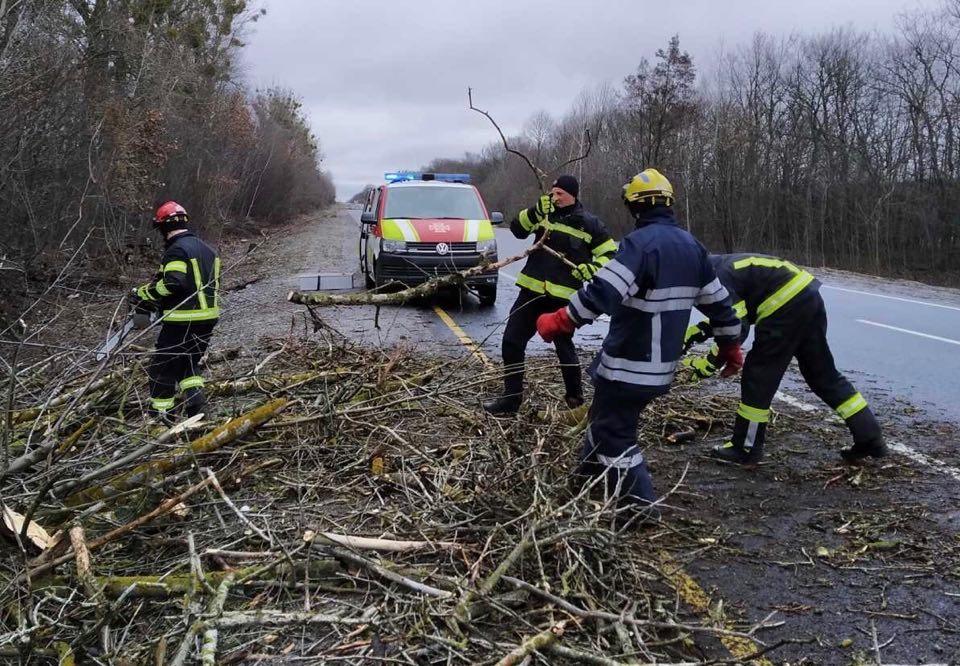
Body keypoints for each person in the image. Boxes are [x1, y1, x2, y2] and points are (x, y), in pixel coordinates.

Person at [535, 169, 743, 520]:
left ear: (633, 206)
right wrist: (730, 347)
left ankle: (640, 508)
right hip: (659, 368)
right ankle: (584, 481)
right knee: (602, 419)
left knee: (615, 434)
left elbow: (603, 291)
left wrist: (560, 320)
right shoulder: (693, 247)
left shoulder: (639, 245)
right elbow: (721, 307)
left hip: (628, 364)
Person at [682, 253, 886, 464]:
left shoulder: (717, 279)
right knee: (822, 374)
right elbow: (732, 314)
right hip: (806, 296)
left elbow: (734, 327)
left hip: (783, 303)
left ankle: (746, 447)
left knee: (759, 376)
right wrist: (698, 333)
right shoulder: (718, 268)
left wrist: (708, 364)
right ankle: (869, 436)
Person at [483, 175, 617, 415]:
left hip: (562, 299)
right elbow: (518, 229)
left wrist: (593, 269)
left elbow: (610, 254)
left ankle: (575, 400)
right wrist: (535, 210)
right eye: (552, 193)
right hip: (532, 291)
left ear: (572, 195)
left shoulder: (590, 224)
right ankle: (511, 399)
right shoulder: (543, 214)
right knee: (512, 341)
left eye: (560, 194)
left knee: (563, 347)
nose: (555, 197)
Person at [129, 201, 221, 420]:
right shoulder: (207, 249)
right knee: (188, 364)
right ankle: (197, 411)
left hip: (183, 320)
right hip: (207, 318)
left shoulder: (177, 250)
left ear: (163, 227)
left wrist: (143, 294)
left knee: (162, 367)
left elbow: (173, 283)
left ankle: (161, 416)